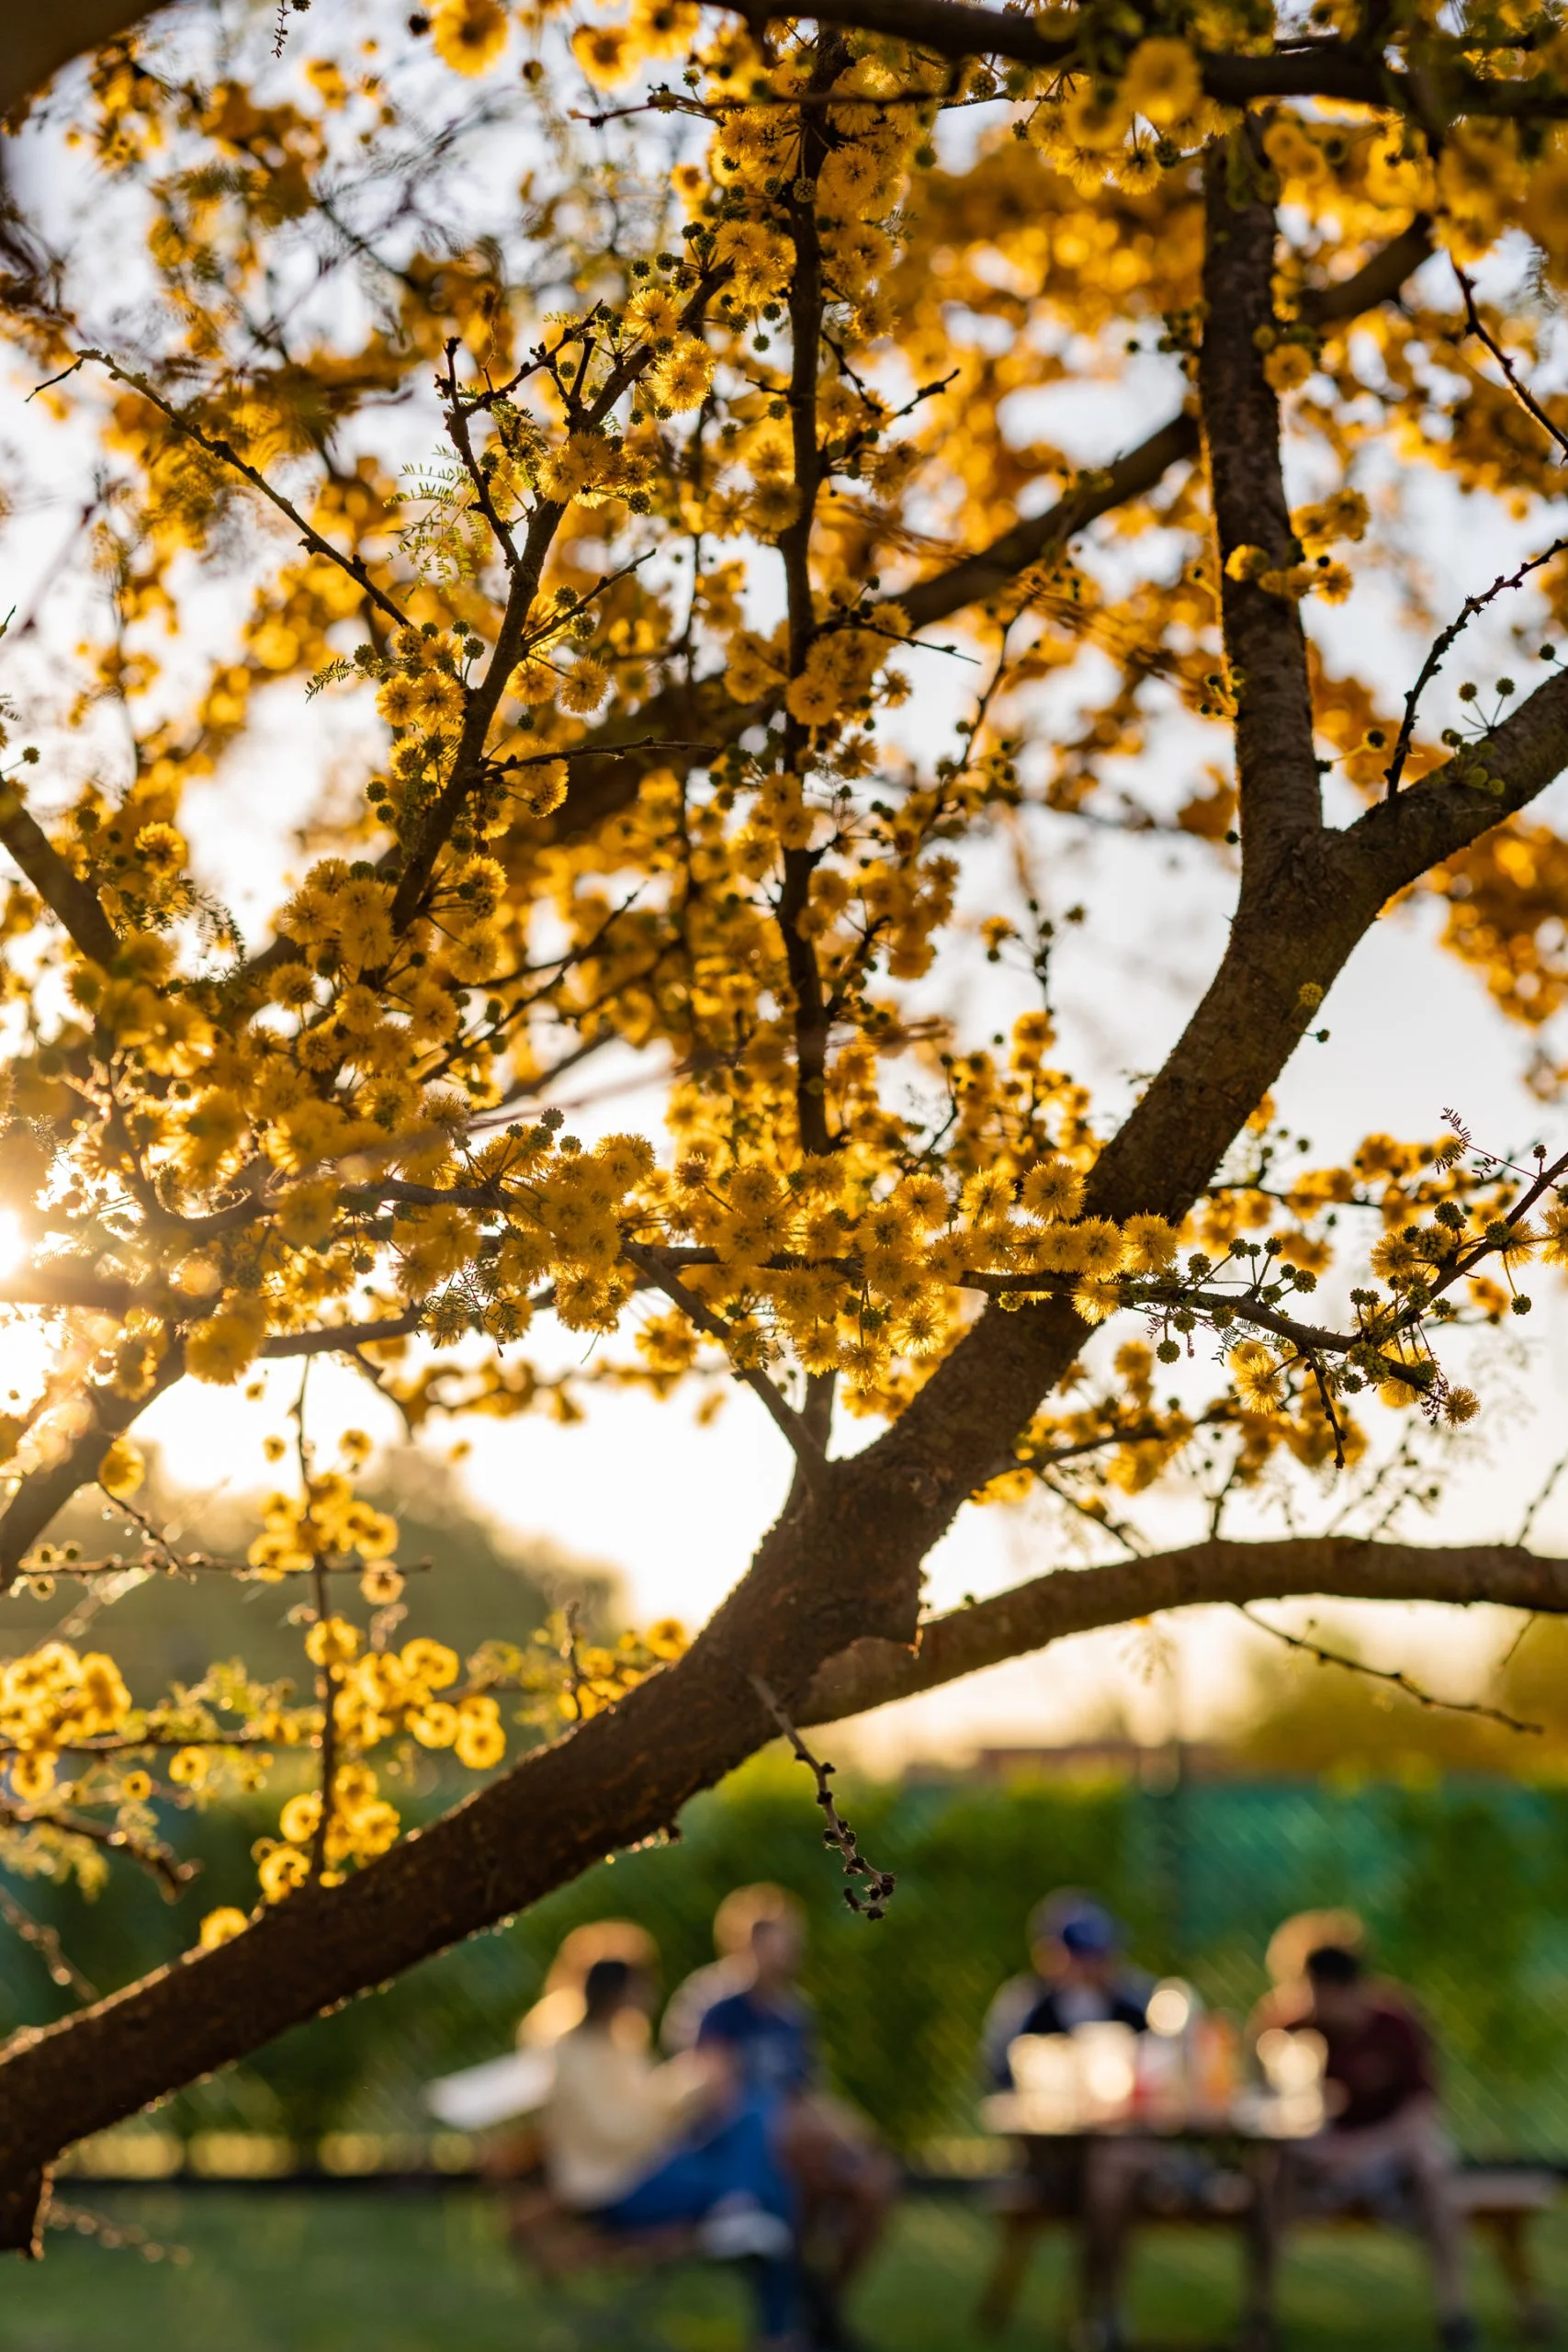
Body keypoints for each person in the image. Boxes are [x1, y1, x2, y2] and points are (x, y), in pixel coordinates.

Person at [671, 1886, 897, 2346]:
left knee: (874, 2185)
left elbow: (808, 2091)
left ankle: (822, 2305)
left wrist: (851, 2135)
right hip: (738, 2152)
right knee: (796, 2190)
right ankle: (797, 2316)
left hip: (801, 2145)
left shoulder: (793, 2012)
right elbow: (715, 2098)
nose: (791, 1953)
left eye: (794, 1941)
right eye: (781, 1941)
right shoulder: (716, 2005)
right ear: (746, 1943)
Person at [542, 1953, 803, 2347]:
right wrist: (684, 2094)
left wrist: (690, 2086)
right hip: (617, 2188)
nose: (648, 1995)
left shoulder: (620, 2044)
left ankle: (742, 2216)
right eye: (640, 1986)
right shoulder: (573, 2053)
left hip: (649, 2169)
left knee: (754, 2120)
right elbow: (617, 2130)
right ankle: (778, 2331)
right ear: (618, 1991)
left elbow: (643, 2106)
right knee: (773, 2197)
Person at [1247, 1939, 1475, 2352]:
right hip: (1314, 2152)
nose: (1317, 2001)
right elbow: (1262, 2099)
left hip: (1384, 2152)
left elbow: (1422, 2114)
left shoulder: (1396, 2025)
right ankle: (1258, 2313)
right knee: (1267, 2173)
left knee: (1433, 2163)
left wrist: (1361, 2150)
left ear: (1351, 1988)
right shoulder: (1294, 2029)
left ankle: (1454, 2313)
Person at [981, 1893, 1156, 2352]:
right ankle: (1101, 2311)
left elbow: (1159, 2074)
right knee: (1109, 2177)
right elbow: (1001, 2086)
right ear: (1050, 1956)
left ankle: (1098, 2312)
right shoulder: (1026, 2009)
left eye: (1102, 1953)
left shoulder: (1133, 2004)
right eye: (1084, 1954)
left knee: (1114, 2173)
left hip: (1119, 2154)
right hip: (1050, 2160)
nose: (1096, 1965)